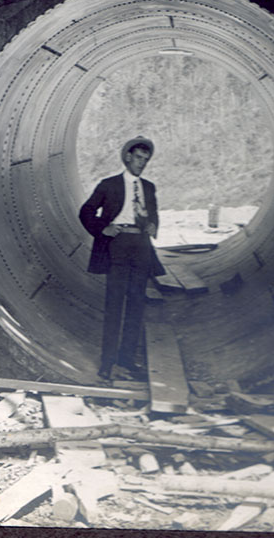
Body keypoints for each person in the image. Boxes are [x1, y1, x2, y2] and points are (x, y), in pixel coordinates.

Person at [79, 135, 165, 381]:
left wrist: (152, 225)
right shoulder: (109, 185)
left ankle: (127, 360)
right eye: (138, 158)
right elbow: (85, 211)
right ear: (128, 157)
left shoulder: (148, 187)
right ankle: (107, 363)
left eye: (146, 160)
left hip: (140, 246)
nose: (142, 163)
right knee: (114, 303)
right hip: (117, 244)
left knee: (137, 305)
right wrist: (101, 228)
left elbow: (154, 214)